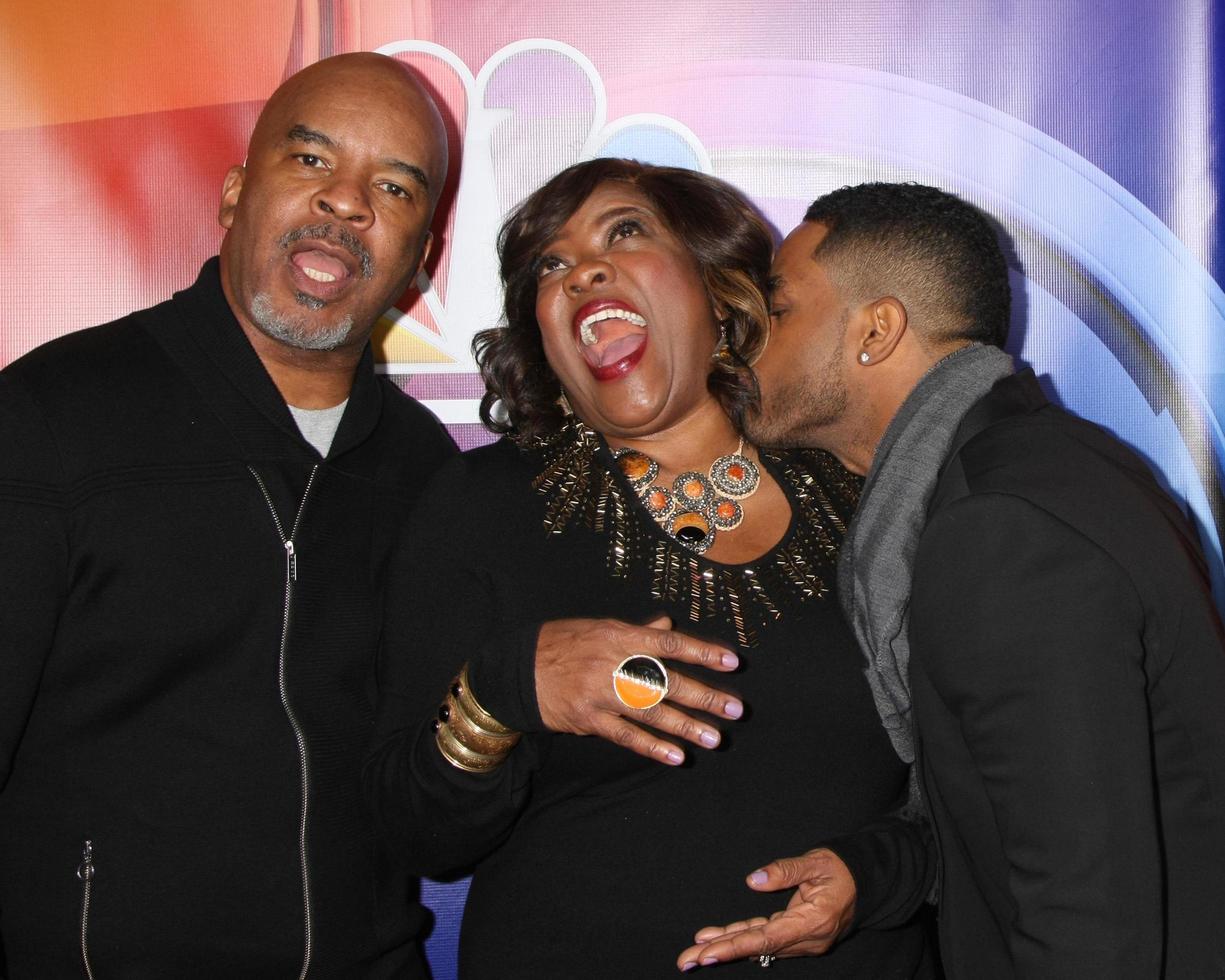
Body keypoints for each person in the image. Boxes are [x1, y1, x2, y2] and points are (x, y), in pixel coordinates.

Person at [366, 159, 936, 978]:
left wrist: (873, 877)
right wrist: (502, 690)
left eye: (625, 232)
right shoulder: (478, 507)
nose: (581, 271)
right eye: (549, 266)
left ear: (717, 289)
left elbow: (990, 788)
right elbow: (414, 833)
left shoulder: (871, 495)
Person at [0, 53, 456, 977]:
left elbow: (431, 803)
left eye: (394, 187)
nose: (346, 203)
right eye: (311, 161)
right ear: (236, 191)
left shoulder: (425, 473)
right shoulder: (52, 414)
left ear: (420, 259)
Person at [741, 181, 1225, 978]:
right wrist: (875, 871)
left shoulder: (1001, 528)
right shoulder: (1048, 467)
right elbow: (1022, 808)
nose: (751, 341)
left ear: (875, 330)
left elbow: (1083, 918)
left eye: (781, 308)